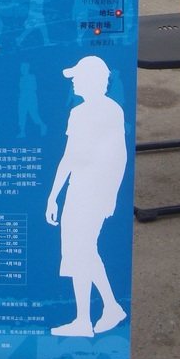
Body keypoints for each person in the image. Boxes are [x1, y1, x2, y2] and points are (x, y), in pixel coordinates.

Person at [45, 55, 127, 337]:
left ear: (93, 80)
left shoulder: (111, 111)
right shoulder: (77, 113)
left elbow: (120, 156)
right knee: (80, 251)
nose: (74, 82)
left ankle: (90, 316)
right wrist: (53, 196)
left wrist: (111, 195)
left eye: (78, 77)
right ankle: (103, 310)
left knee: (82, 250)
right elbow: (69, 156)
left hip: (96, 190)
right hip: (76, 189)